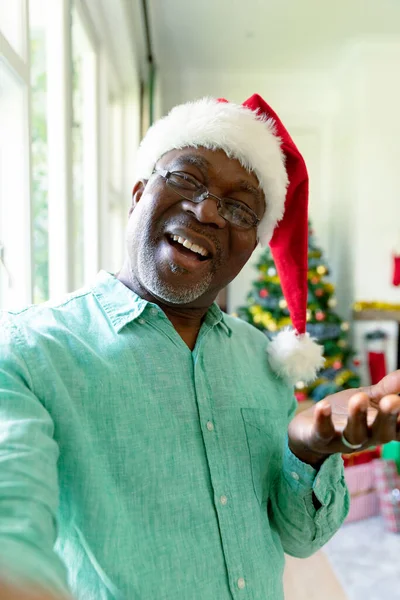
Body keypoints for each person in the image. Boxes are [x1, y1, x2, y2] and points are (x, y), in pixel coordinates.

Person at [0, 94, 399, 600]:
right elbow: (11, 518)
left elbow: (302, 540)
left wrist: (311, 451)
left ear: (250, 245)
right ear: (139, 193)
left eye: (239, 208)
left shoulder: (263, 360)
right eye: (187, 179)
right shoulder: (29, 351)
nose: (208, 210)